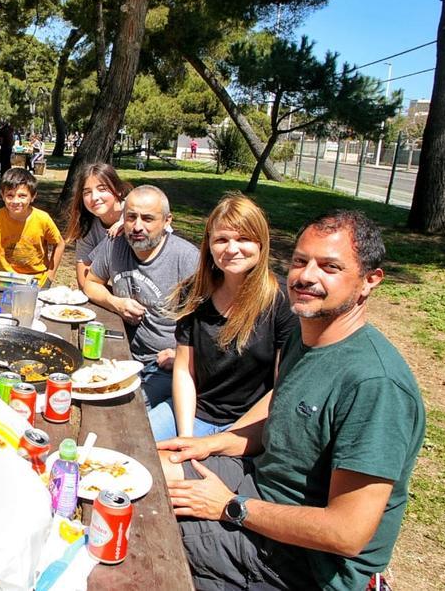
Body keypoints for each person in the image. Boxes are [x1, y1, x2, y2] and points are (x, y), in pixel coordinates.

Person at [160, 210, 425, 591]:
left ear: (369, 281)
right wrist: (210, 443)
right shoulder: (308, 336)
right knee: (143, 469)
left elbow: (346, 533)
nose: (306, 276)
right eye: (301, 261)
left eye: (329, 267)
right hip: (259, 486)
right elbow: (285, 420)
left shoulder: (375, 385)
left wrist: (229, 507)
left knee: (143, 529)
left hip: (298, 562)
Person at [147, 193, 297, 441]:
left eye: (244, 239)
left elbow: (281, 388)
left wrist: (219, 443)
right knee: (131, 445)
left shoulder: (281, 300)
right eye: (222, 239)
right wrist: (185, 437)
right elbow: (184, 369)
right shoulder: (194, 291)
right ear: (210, 245)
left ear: (261, 243)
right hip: (194, 412)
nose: (232, 249)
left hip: (248, 426)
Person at [82, 185, 199, 405]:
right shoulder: (115, 244)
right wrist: (115, 302)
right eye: (131, 217)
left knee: (125, 409)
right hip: (120, 352)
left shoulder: (188, 260)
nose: (137, 227)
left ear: (167, 221)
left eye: (147, 219)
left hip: (163, 366)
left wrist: (185, 358)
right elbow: (91, 283)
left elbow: (215, 325)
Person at [0, 168, 64, 284]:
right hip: (4, 278)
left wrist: (50, 275)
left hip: (36, 280)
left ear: (33, 196)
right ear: (2, 195)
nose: (15, 201)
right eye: (10, 195)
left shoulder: (42, 219)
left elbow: (59, 243)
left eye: (22, 196)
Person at [65, 162, 129, 289]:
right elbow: (84, 282)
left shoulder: (138, 213)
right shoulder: (86, 226)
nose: (94, 197)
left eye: (102, 189)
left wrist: (128, 223)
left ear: (119, 191)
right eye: (87, 192)